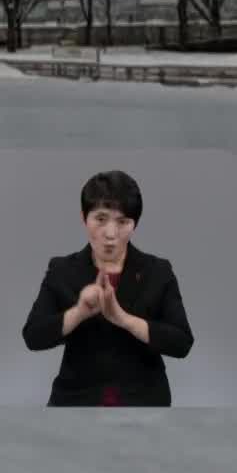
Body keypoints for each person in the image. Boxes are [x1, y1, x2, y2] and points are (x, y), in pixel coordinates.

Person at [21, 170, 193, 405]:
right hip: (75, 400)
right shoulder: (62, 270)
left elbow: (182, 342)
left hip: (144, 400)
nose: (110, 234)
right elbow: (33, 336)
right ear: (84, 218)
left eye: (122, 222)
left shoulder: (158, 271)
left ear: (135, 224)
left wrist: (123, 318)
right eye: (100, 219)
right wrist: (78, 312)